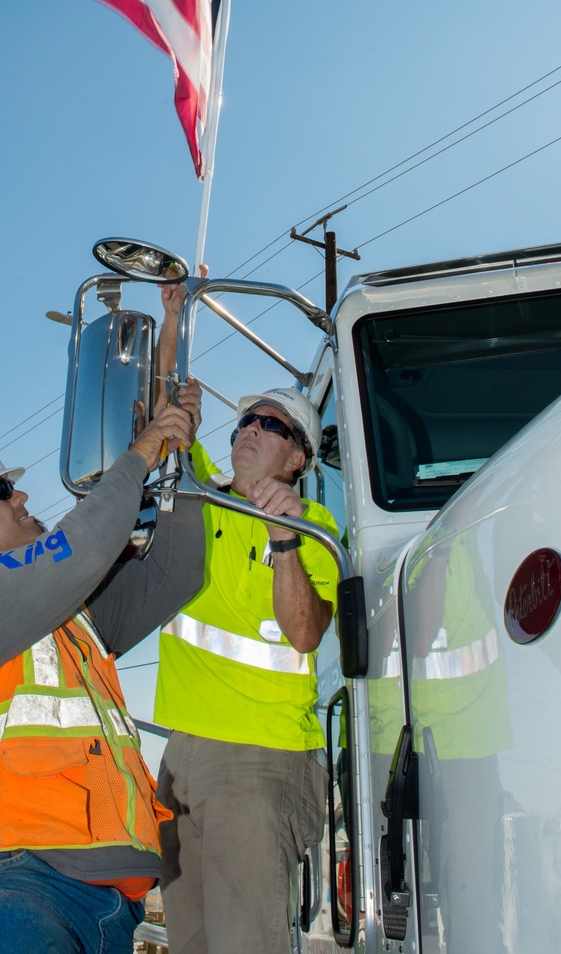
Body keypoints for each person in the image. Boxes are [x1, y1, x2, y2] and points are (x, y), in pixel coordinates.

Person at [0, 380, 204, 954]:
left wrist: (180, 454)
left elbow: (176, 572)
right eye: (2, 490)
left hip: (108, 901)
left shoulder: (68, 616)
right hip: (8, 881)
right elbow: (79, 549)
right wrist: (140, 453)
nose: (22, 498)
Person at [152, 283, 340, 954]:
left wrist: (284, 538)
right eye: (242, 423)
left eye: (269, 425)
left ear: (297, 458)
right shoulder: (200, 495)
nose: (248, 430)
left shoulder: (317, 528)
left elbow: (306, 631)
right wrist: (174, 318)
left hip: (260, 765)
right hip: (180, 757)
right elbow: (164, 404)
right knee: (192, 944)